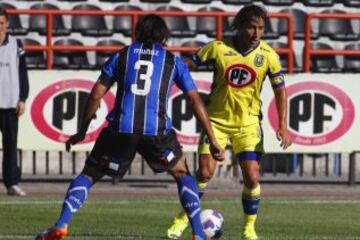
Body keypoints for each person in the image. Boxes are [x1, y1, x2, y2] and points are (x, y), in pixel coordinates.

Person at [35, 14, 224, 240]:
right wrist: (213, 140)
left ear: (136, 33)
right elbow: (195, 101)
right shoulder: (173, 61)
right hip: (157, 132)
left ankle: (62, 224)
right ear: (164, 36)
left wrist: (82, 131)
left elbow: (96, 94)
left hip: (120, 129)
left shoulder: (122, 55)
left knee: (89, 174)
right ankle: (198, 233)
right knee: (182, 174)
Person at [166, 5, 292, 240]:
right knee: (204, 173)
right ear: (240, 26)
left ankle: (249, 228)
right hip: (216, 121)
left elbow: (281, 91)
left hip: (248, 124)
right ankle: (182, 220)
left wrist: (282, 125)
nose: (256, 33)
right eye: (252, 27)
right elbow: (186, 64)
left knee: (252, 176)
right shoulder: (218, 47)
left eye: (261, 28)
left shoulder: (269, 56)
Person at [0, 7, 29, 196]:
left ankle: (11, 183)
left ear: (7, 23)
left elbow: (23, 74)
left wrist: (22, 98)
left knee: (11, 145)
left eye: (1, 23)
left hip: (10, 103)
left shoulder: (16, 45)